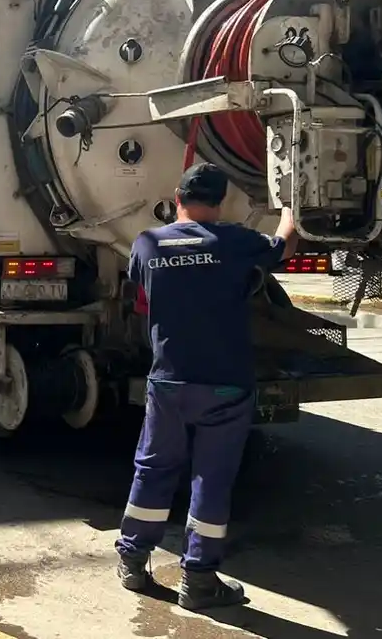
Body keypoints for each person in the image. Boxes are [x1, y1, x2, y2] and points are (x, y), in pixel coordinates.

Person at [115, 163, 296, 611]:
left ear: (177, 195)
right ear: (220, 202)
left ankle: (133, 562)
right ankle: (197, 581)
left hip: (169, 380)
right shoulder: (235, 241)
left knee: (153, 469)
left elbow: (141, 289)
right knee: (211, 479)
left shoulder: (147, 242)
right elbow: (284, 247)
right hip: (225, 385)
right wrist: (290, 208)